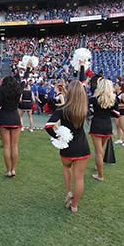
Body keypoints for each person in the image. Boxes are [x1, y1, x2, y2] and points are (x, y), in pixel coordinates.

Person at [45, 74, 89, 213]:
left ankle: (69, 191)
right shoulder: (84, 109)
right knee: (80, 178)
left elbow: (48, 126)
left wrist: (57, 137)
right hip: (82, 147)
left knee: (66, 168)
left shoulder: (62, 109)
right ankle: (74, 206)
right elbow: (79, 89)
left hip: (67, 147)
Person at [0, 69, 27, 177]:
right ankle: (13, 169)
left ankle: (8, 170)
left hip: (4, 120)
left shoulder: (2, 91)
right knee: (14, 146)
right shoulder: (18, 90)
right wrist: (28, 69)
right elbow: (24, 80)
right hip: (15, 119)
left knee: (7, 146)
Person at [88, 78, 119, 181]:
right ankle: (98, 166)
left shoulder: (94, 98)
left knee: (98, 152)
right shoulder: (113, 99)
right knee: (101, 149)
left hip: (96, 124)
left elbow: (88, 108)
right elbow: (117, 114)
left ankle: (100, 175)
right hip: (107, 125)